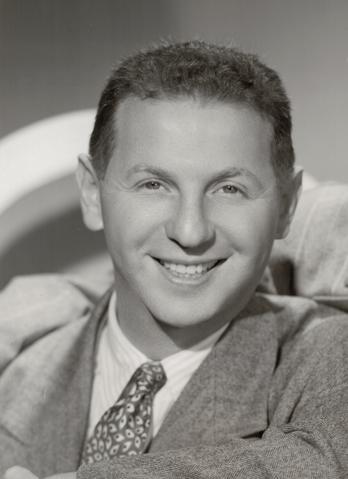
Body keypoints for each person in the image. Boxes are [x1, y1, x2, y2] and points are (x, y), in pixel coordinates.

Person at [1, 40, 348, 479]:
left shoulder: (328, 359)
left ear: (286, 206)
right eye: (153, 185)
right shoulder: (17, 363)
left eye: (229, 190)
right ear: (92, 192)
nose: (190, 231)